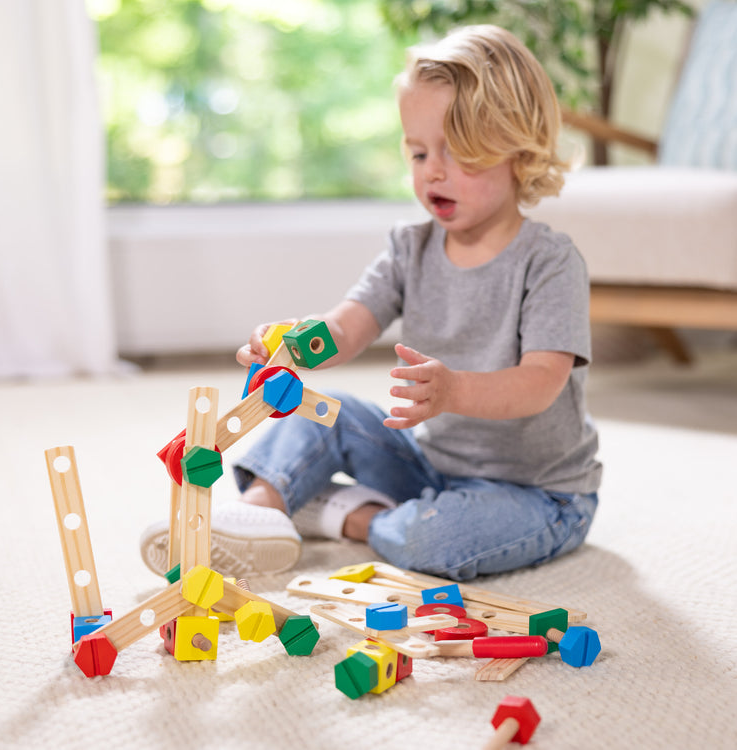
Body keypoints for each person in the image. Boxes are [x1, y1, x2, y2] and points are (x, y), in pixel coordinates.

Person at [140, 24, 602, 582]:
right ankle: (258, 512)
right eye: (418, 152)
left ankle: (346, 514)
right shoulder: (410, 247)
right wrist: (297, 344)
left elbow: (541, 384)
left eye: (459, 154)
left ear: (517, 151)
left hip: (537, 493)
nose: (432, 170)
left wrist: (454, 389)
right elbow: (350, 324)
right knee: (322, 411)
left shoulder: (550, 262)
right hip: (429, 462)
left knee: (433, 539)